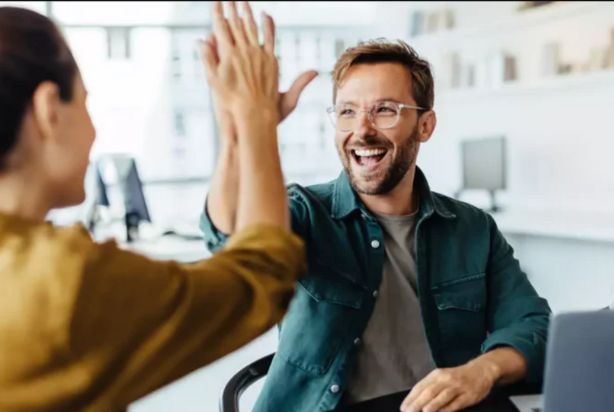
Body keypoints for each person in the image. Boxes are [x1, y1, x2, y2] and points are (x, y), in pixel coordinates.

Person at [201, 12, 552, 412]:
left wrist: (482, 370)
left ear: (425, 125)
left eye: (384, 109)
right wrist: (238, 128)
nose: (362, 130)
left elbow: (534, 326)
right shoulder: (304, 213)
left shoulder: (473, 228)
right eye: (347, 112)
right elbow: (228, 236)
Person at [0, 2, 305, 411]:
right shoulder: (60, 282)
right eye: (86, 103)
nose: (94, 129)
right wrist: (255, 116)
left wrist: (237, 133)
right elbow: (260, 278)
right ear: (48, 109)